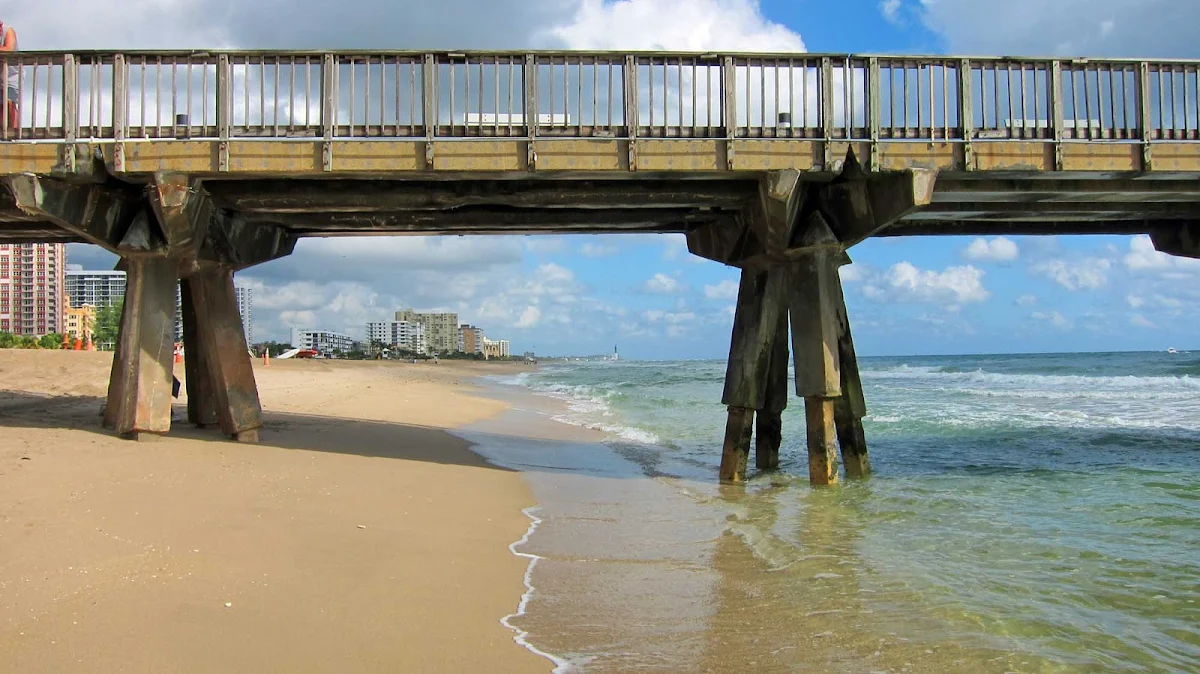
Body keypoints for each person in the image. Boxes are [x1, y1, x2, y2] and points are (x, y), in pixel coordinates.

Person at [0, 19, 17, 132]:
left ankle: (12, 134)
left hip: (10, 76)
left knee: (9, 103)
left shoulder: (7, 30)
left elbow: (9, 49)